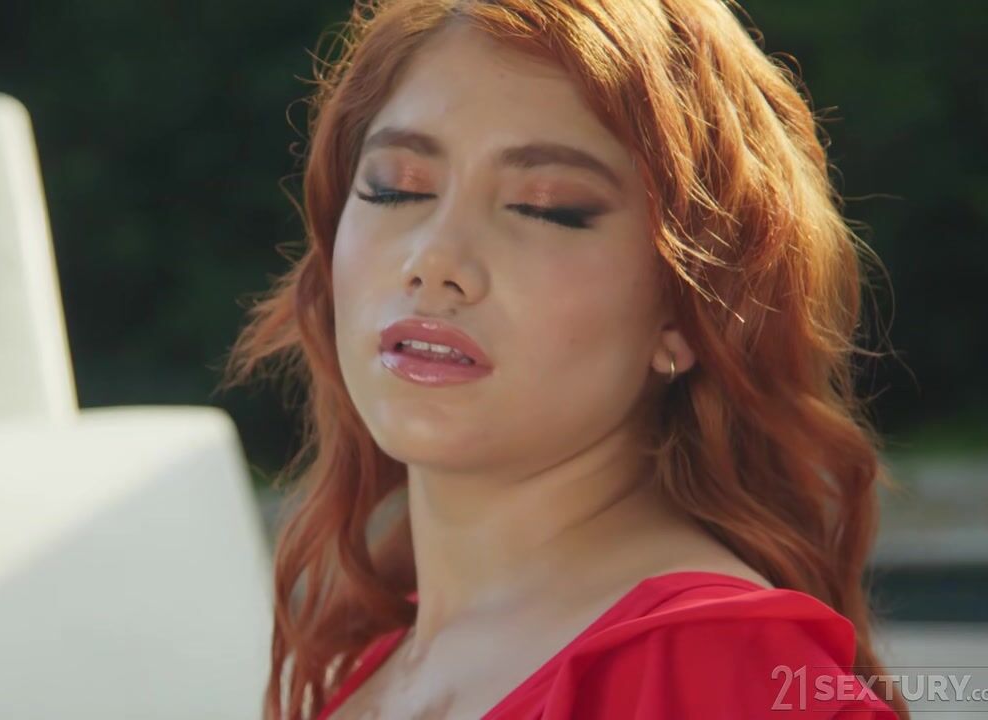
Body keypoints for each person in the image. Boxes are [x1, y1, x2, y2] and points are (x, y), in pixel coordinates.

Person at [221, 0, 909, 717]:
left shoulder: (713, 664)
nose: (435, 260)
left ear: (691, 309)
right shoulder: (366, 661)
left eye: (545, 207)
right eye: (397, 188)